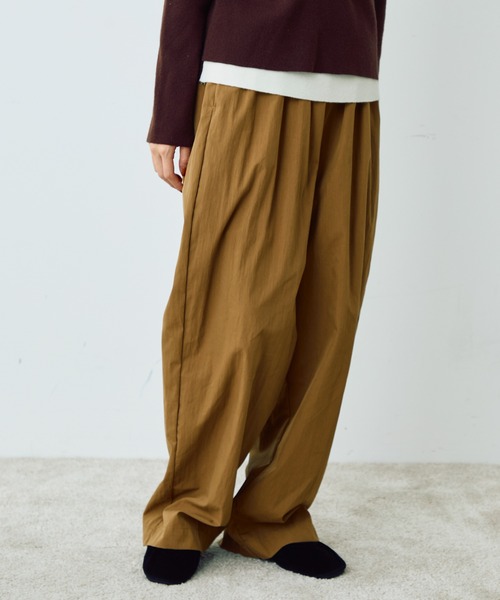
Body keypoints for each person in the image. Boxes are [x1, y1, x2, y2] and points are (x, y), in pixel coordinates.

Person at [142, 0, 388, 585]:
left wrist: (362, 58)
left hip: (352, 94)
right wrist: (172, 113)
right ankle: (188, 509)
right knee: (231, 315)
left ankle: (274, 515)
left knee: (329, 315)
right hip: (248, 80)